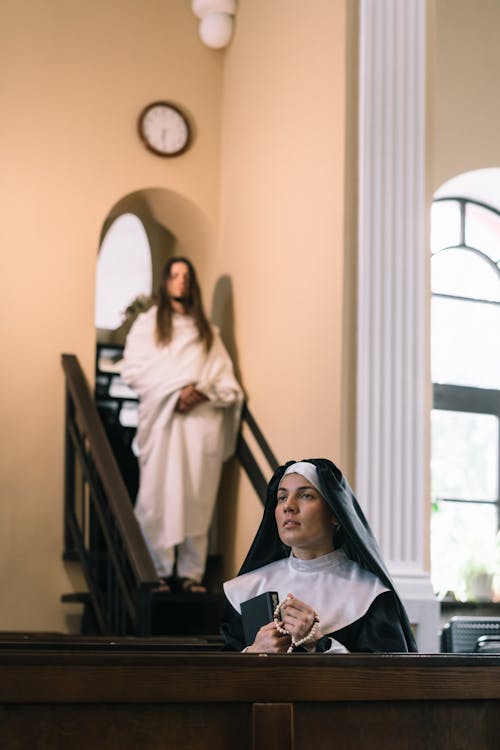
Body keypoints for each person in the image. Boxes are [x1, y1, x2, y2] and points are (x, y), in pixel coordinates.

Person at [121, 257, 243, 593]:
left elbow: (227, 383)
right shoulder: (147, 325)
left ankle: (192, 573)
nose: (181, 282)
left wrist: (200, 392)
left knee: (195, 496)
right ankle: (156, 570)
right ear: (165, 282)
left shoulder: (208, 332)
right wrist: (175, 391)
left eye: (187, 276)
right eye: (174, 275)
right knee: (157, 495)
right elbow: (133, 370)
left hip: (199, 424)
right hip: (163, 423)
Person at [221, 458, 417, 652]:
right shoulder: (246, 589)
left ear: (335, 513)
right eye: (282, 497)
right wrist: (253, 653)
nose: (288, 506)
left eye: (305, 496)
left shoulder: (371, 594)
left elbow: (389, 678)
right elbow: (219, 677)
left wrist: (320, 643)